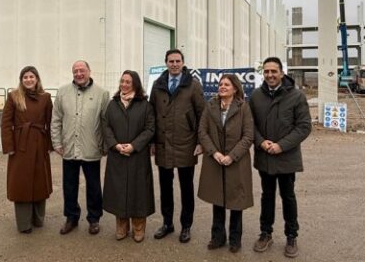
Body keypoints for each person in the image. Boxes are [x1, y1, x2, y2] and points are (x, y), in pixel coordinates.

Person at [249, 57, 311, 259]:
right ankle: (265, 233)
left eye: (273, 71)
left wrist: (281, 145)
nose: (270, 75)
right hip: (264, 156)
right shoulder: (256, 96)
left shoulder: (296, 96)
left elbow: (303, 127)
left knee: (288, 197)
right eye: (266, 71)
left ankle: (291, 235)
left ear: (282, 73)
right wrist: (261, 142)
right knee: (266, 196)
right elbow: (251, 126)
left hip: (287, 157)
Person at [149, 49, 206, 243]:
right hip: (163, 144)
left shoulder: (193, 85)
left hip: (186, 144)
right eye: (171, 61)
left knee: (186, 187)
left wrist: (200, 142)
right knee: (165, 187)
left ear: (183, 63)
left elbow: (202, 115)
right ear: (166, 63)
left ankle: (186, 226)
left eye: (177, 61)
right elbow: (151, 115)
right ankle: (167, 223)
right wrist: (152, 142)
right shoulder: (157, 85)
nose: (174, 64)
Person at [51, 60, 110, 235]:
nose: (78, 74)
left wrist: (106, 145)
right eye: (75, 71)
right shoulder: (62, 93)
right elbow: (56, 120)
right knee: (69, 185)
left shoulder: (102, 94)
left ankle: (94, 219)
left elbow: (106, 122)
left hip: (91, 148)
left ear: (89, 71)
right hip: (69, 148)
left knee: (93, 186)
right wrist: (57, 143)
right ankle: (71, 217)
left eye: (82, 70)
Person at [197, 73, 254, 253]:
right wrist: (214, 153)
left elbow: (248, 136)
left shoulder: (243, 107)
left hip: (237, 162)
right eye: (220, 84)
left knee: (236, 201)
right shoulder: (211, 106)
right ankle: (217, 237)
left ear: (235, 88)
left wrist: (232, 156)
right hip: (215, 161)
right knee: (217, 199)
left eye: (226, 85)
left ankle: (235, 240)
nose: (222, 87)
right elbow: (202, 132)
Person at [103, 70, 156, 242]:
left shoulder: (145, 105)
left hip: (137, 156)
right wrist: (115, 145)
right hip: (117, 155)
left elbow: (150, 129)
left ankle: (139, 227)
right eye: (122, 81)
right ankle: (121, 225)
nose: (124, 84)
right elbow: (106, 126)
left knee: (138, 192)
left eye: (128, 82)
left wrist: (134, 146)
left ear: (135, 84)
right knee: (119, 191)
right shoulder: (113, 104)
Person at [0, 66, 54, 234]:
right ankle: (24, 223)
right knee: (21, 183)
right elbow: (6, 123)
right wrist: (9, 147)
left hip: (39, 144)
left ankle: (38, 219)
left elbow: (51, 122)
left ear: (37, 79)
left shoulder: (45, 98)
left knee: (40, 181)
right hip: (20, 146)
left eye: (31, 76)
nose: (28, 79)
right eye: (25, 77)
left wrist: (51, 145)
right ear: (21, 80)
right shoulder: (14, 97)